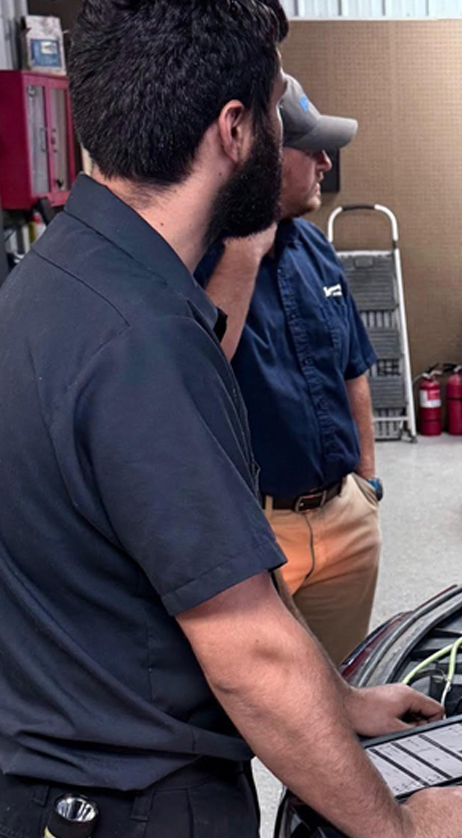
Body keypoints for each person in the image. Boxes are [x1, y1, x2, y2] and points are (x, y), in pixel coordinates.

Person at [0, 2, 462, 838]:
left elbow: (201, 575)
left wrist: (345, 701)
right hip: (137, 833)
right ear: (235, 129)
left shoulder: (66, 278)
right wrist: (400, 830)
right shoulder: (144, 341)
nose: (292, 137)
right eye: (277, 109)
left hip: (61, 806)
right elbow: (248, 651)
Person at [200, 74, 380, 666]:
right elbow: (199, 374)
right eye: (313, 150)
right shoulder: (202, 257)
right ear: (267, 157)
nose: (327, 163)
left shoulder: (316, 248)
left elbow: (353, 367)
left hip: (344, 517)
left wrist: (367, 486)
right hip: (257, 534)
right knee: (267, 704)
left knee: (341, 688)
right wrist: (245, 251)